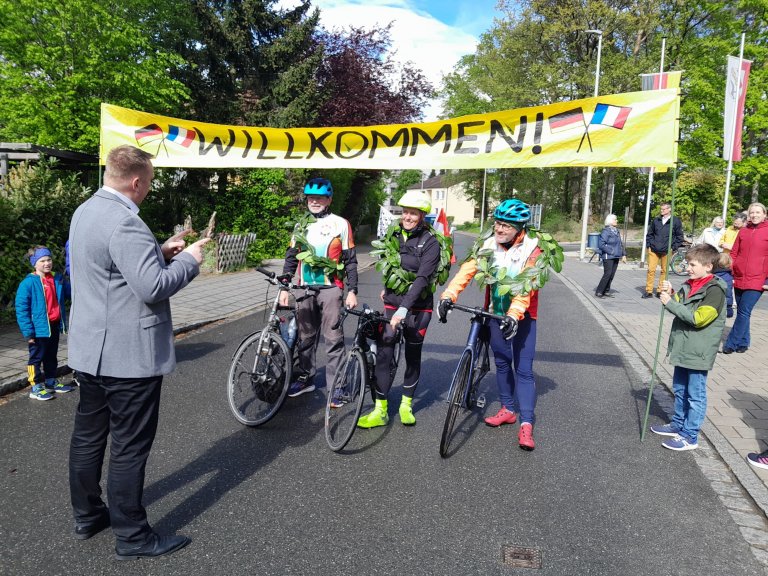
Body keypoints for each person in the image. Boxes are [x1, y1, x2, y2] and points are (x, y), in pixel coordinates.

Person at [67, 145, 210, 560]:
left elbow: (110, 269)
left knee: (88, 437)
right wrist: (190, 261)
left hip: (89, 350)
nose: (148, 189)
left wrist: (160, 252)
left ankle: (88, 515)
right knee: (130, 446)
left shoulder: (85, 212)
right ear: (136, 181)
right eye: (148, 183)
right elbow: (153, 288)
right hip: (127, 356)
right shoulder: (124, 223)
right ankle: (133, 536)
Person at [438, 199, 541, 451]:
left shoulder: (534, 249)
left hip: (523, 317)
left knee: (524, 369)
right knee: (503, 363)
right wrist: (448, 296)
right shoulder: (487, 244)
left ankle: (526, 423)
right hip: (496, 313)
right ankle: (508, 409)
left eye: (505, 225)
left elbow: (526, 288)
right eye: (497, 223)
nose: (499, 229)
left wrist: (515, 313)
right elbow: (466, 271)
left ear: (519, 228)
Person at [356, 190, 442, 428]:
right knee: (385, 350)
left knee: (412, 355)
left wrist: (405, 309)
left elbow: (423, 277)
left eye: (413, 213)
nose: (408, 217)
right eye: (405, 212)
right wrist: (387, 287)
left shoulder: (430, 242)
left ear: (422, 215)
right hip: (393, 302)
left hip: (418, 307)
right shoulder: (394, 234)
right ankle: (380, 410)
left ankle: (406, 404)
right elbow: (390, 263)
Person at [280, 178, 358, 397]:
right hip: (303, 288)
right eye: (310, 198)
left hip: (330, 288)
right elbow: (291, 258)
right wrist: (285, 287)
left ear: (329, 199)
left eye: (319, 197)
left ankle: (338, 387)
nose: (314, 201)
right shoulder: (300, 225)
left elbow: (350, 260)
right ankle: (306, 379)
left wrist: (353, 290)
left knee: (333, 338)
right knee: (305, 338)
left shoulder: (341, 224)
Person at [650, 243, 726, 451]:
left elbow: (698, 319)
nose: (688, 268)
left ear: (708, 266)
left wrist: (671, 303)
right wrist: (670, 292)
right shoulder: (690, 284)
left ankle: (690, 435)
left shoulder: (715, 291)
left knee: (695, 394)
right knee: (680, 389)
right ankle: (678, 424)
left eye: (692, 264)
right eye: (687, 263)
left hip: (698, 351)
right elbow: (676, 303)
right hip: (683, 347)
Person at [15, 245, 74, 400]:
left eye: (49, 259)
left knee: (51, 356)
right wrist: (28, 333)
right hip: (38, 329)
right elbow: (22, 310)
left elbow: (71, 293)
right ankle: (35, 387)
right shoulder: (27, 284)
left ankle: (50, 382)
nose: (47, 263)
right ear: (34, 263)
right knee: (36, 358)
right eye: (42, 261)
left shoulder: (57, 279)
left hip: (53, 326)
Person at [722, 202, 768, 354]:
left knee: (743, 311)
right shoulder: (743, 231)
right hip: (739, 276)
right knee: (743, 311)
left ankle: (731, 343)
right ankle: (744, 341)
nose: (754, 215)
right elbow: (734, 253)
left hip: (758, 279)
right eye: (752, 212)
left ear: (764, 214)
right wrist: (731, 271)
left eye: (758, 212)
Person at [643, 202, 684, 299]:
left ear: (669, 209)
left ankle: (660, 290)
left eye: (664, 209)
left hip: (667, 249)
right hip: (654, 249)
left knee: (664, 271)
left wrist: (673, 247)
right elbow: (650, 234)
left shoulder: (675, 221)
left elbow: (679, 236)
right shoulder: (656, 220)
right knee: (651, 270)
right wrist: (649, 244)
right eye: (661, 209)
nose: (662, 211)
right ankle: (648, 291)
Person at [594, 214, 626, 299]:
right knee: (607, 274)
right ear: (610, 221)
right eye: (615, 219)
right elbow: (601, 245)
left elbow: (620, 244)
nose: (617, 221)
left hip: (616, 256)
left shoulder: (616, 231)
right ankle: (599, 291)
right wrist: (610, 251)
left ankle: (606, 290)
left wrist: (624, 254)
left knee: (612, 274)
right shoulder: (606, 231)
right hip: (608, 256)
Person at [713, 253, 734, 319]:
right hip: (723, 305)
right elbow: (728, 293)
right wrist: (729, 307)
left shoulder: (710, 275)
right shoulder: (728, 277)